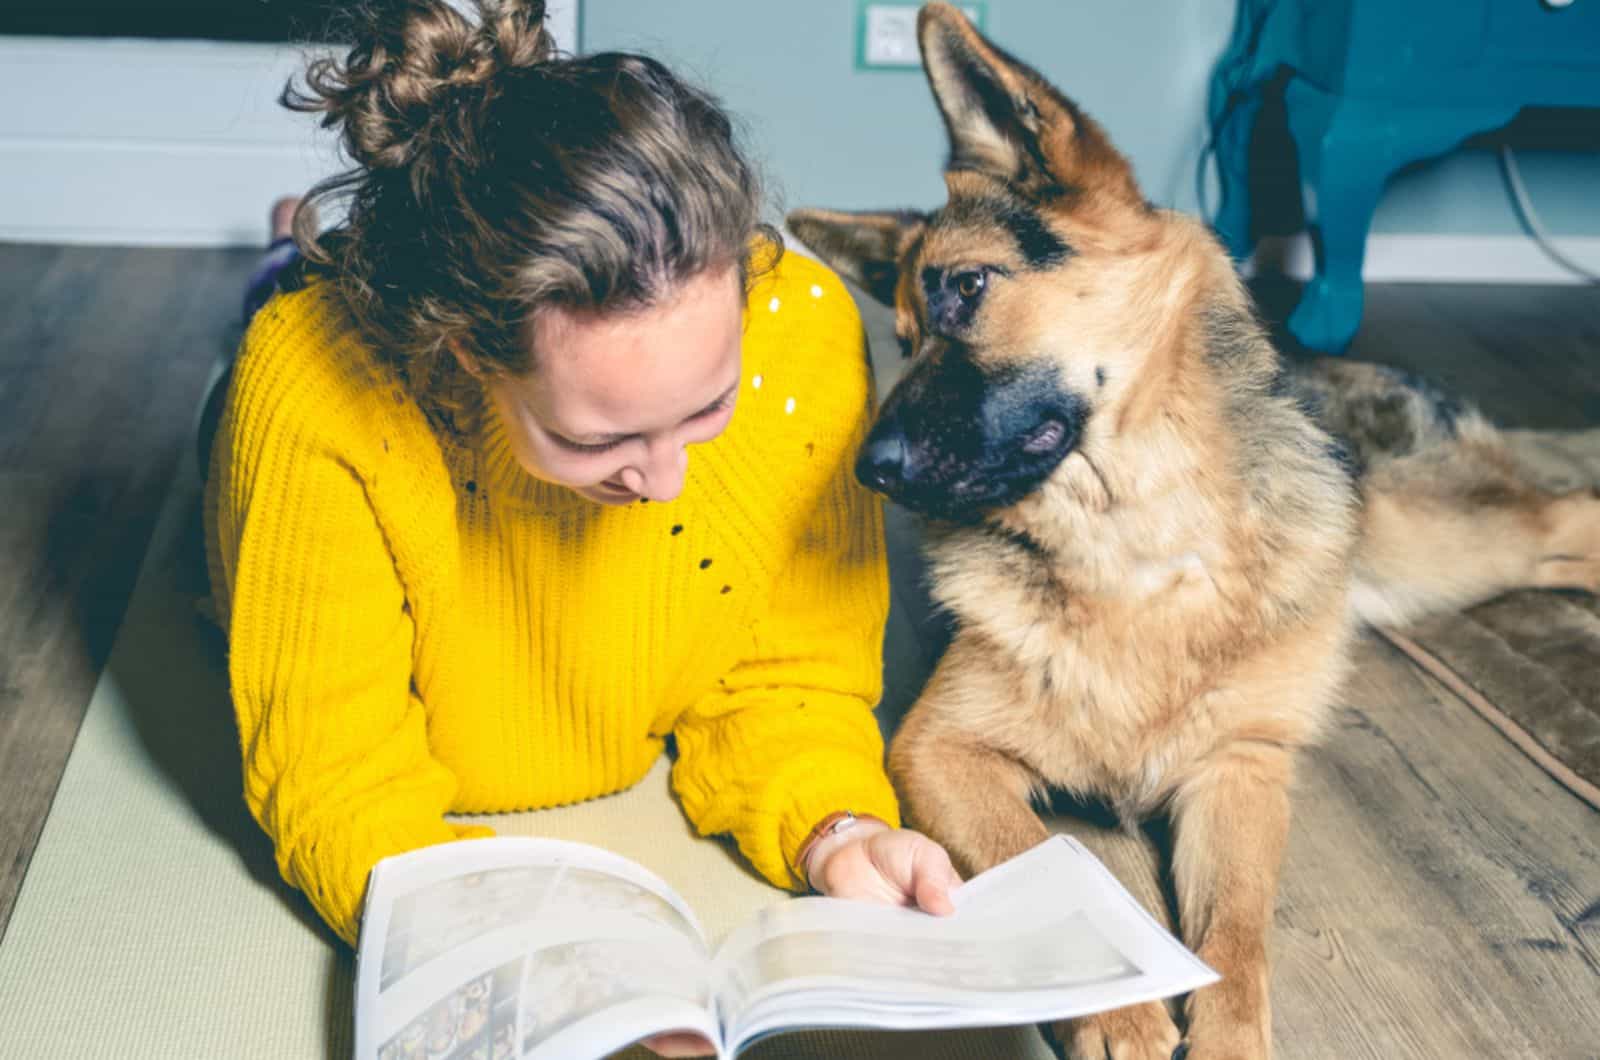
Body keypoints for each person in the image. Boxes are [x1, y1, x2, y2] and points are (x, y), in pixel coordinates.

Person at [201, 0, 960, 1022]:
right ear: (468, 353)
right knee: (274, 318)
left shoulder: (806, 342)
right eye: (600, 440)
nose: (665, 483)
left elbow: (789, 676)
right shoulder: (312, 392)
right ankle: (285, 254)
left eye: (705, 407)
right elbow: (332, 771)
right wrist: (501, 956)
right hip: (309, 389)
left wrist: (837, 827)